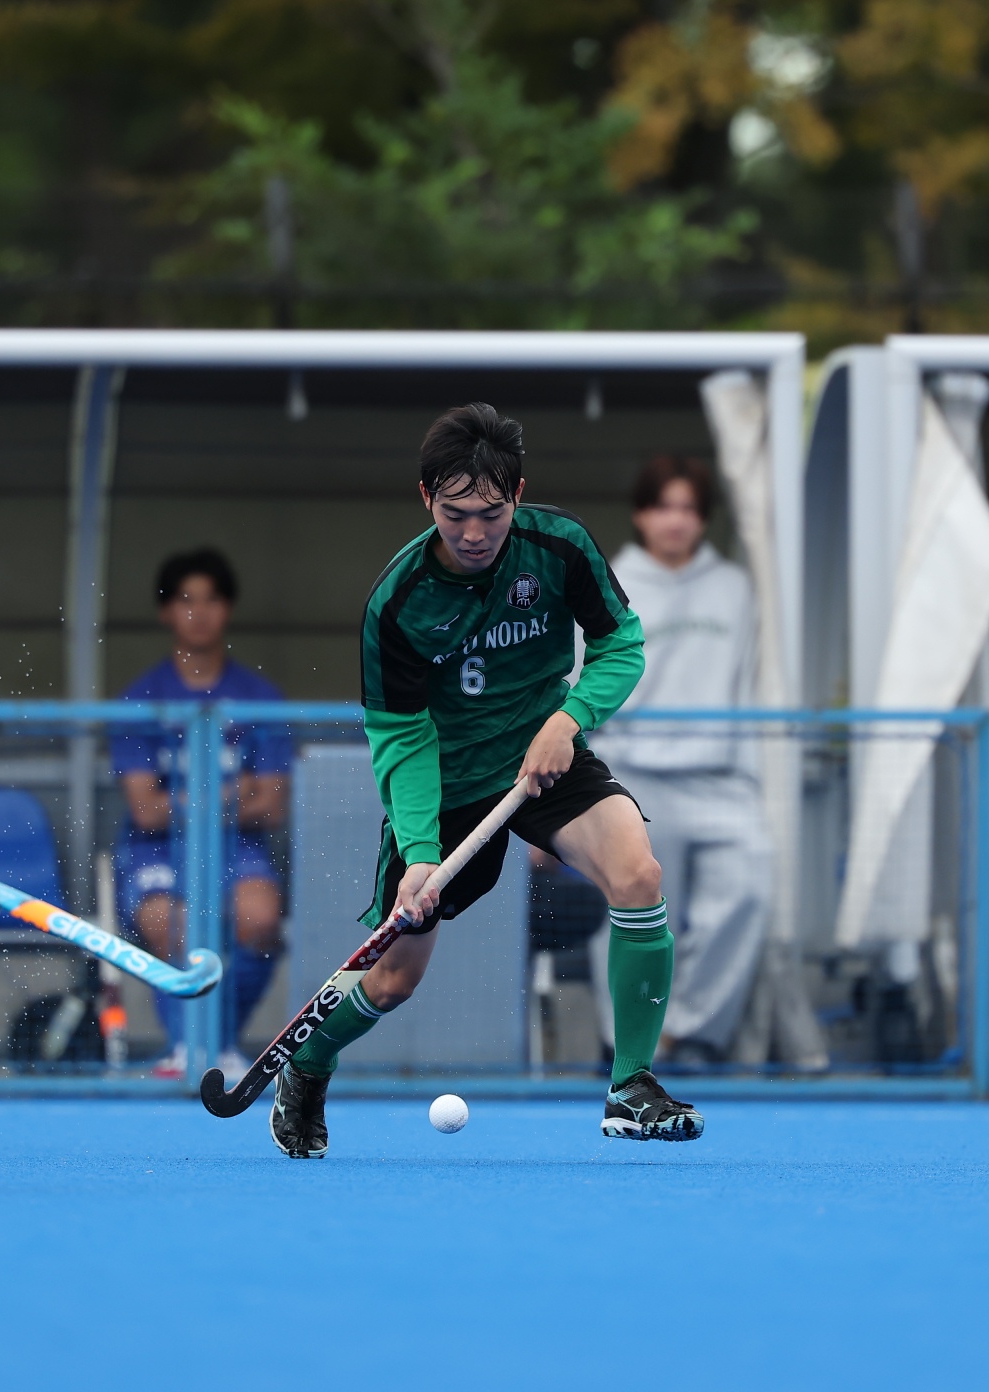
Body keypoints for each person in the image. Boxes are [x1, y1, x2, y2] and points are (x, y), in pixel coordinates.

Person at [267, 402, 698, 1158]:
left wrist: (568, 719)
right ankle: (310, 1063)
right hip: (448, 790)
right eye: (455, 513)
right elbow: (401, 737)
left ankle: (631, 1086)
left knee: (639, 873)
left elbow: (621, 645)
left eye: (492, 514)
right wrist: (420, 852)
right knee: (394, 980)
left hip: (545, 756)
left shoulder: (558, 547)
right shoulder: (398, 603)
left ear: (518, 495)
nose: (474, 533)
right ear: (425, 498)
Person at [589, 455, 768, 1064]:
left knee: (750, 892)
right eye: (663, 506)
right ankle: (626, 1044)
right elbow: (577, 682)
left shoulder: (737, 588)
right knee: (632, 906)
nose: (676, 520)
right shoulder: (609, 581)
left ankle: (688, 1032)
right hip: (632, 772)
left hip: (723, 776)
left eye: (689, 509)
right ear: (641, 514)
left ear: (704, 519)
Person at [111, 547, 290, 1079]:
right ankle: (190, 1048)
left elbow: (272, 804)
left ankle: (218, 1044)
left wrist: (189, 800)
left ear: (228, 608)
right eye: (186, 600)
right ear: (166, 611)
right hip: (157, 848)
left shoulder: (259, 697)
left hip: (238, 845)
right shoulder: (140, 699)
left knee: (261, 920)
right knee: (171, 923)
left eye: (211, 600)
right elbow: (146, 811)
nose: (199, 613)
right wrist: (234, 792)